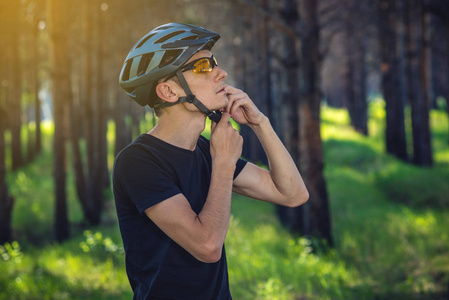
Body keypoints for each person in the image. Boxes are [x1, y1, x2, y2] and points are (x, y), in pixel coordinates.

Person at [113, 23, 309, 300]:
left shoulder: (206, 150)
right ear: (169, 92)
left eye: (214, 63)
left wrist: (260, 124)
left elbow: (293, 194)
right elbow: (206, 246)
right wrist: (224, 163)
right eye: (204, 66)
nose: (221, 73)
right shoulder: (138, 162)